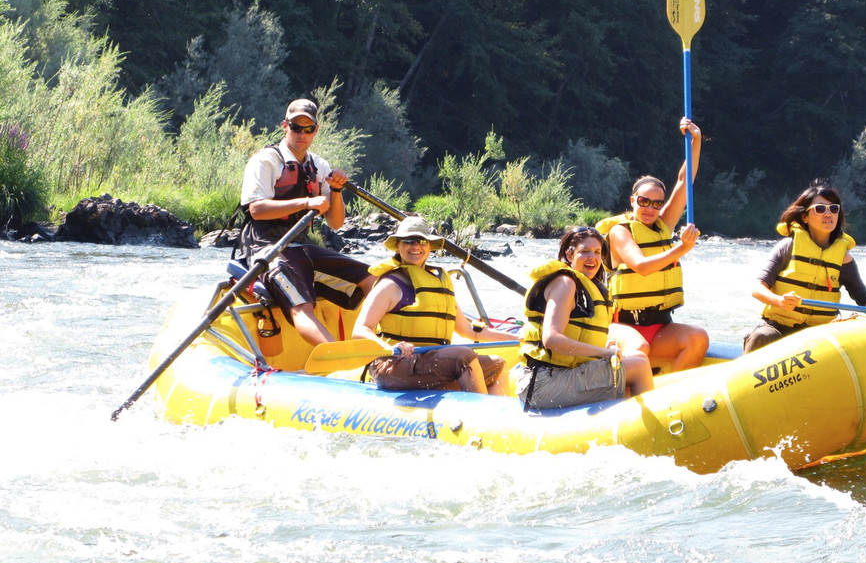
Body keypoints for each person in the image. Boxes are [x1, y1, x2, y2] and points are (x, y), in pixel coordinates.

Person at [239, 98, 375, 346]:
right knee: (301, 305)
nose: (302, 133)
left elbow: (335, 223)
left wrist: (336, 191)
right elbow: (257, 210)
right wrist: (305, 203)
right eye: (296, 127)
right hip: (266, 244)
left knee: (371, 278)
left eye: (308, 128)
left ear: (316, 130)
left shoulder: (319, 165)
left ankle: (379, 342)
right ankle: (336, 357)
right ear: (285, 126)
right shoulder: (267, 160)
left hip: (300, 243)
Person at [595, 117, 708, 373]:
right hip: (622, 325)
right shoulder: (620, 232)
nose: (650, 208)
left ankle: (669, 395)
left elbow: (683, 181)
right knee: (640, 349)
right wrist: (680, 249)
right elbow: (641, 267)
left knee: (698, 338)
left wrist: (696, 139)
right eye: (644, 201)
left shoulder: (663, 225)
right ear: (633, 200)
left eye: (657, 204)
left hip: (660, 324)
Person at [352, 216, 512, 394]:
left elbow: (469, 331)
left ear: (429, 246)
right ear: (398, 246)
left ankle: (499, 418)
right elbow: (360, 329)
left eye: (421, 241)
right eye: (408, 241)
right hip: (394, 365)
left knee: (497, 364)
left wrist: (521, 339)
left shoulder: (438, 284)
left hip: (427, 362)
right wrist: (389, 348)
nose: (415, 246)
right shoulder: (390, 285)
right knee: (463, 356)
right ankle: (478, 418)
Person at [743, 181, 866, 353]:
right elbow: (757, 288)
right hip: (779, 328)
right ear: (805, 217)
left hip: (818, 335)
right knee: (761, 337)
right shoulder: (787, 246)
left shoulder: (843, 258)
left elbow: (864, 298)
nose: (828, 214)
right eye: (820, 209)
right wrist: (779, 301)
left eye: (833, 209)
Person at [515, 226, 654, 410]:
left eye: (597, 252)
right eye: (585, 251)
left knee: (637, 357)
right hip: (542, 385)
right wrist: (602, 353)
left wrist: (601, 349)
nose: (593, 258)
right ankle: (647, 434)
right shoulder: (565, 284)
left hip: (557, 376)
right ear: (570, 255)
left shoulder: (582, 285)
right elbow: (551, 339)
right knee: (639, 367)